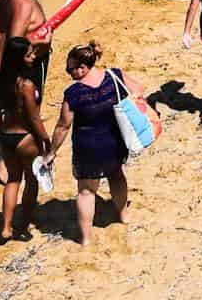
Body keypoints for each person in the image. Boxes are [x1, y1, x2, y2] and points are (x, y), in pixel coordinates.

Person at [50, 41, 138, 235]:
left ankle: (86, 238)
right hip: (115, 140)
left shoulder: (73, 93)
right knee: (117, 176)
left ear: (82, 68)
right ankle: (123, 216)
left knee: (86, 192)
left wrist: (51, 152)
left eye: (70, 69)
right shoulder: (115, 76)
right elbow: (139, 91)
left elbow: (63, 126)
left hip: (87, 147)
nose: (69, 73)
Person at [0, 34, 51, 244]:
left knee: (13, 180)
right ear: (19, 58)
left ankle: (5, 227)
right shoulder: (26, 84)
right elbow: (34, 117)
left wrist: (0, 132)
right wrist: (46, 140)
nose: (33, 57)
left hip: (7, 135)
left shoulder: (1, 82)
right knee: (31, 181)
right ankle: (22, 226)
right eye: (28, 54)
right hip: (26, 137)